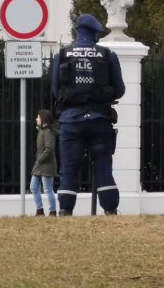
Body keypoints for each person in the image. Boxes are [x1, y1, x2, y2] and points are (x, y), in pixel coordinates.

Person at [52, 13, 125, 216]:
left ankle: (65, 210)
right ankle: (110, 209)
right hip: (99, 120)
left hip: (70, 121)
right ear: (95, 33)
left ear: (77, 32)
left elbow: (56, 90)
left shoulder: (62, 55)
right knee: (103, 165)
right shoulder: (106, 55)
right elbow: (119, 90)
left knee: (69, 167)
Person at [30, 109, 58, 216]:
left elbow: (49, 149)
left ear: (43, 119)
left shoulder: (48, 132)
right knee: (33, 187)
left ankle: (52, 211)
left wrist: (40, 159)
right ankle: (40, 210)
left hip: (46, 165)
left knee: (48, 189)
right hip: (40, 165)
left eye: (38, 117)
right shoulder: (42, 131)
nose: (36, 119)